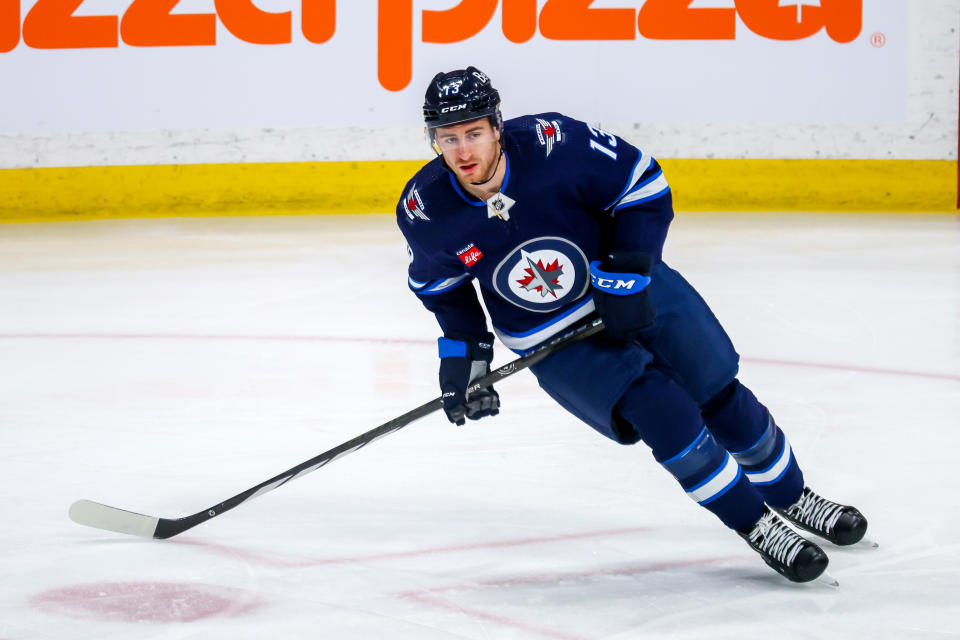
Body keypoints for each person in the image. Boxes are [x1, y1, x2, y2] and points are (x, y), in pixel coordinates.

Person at [395, 66, 870, 584]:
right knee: (663, 413)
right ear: (433, 141)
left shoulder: (557, 144)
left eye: (474, 133)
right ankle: (758, 526)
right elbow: (442, 289)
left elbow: (644, 184)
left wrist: (627, 275)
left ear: (497, 126)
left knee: (719, 396)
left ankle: (795, 498)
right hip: (552, 337)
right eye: (448, 138)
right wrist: (465, 357)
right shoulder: (425, 210)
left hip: (628, 282)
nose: (463, 151)